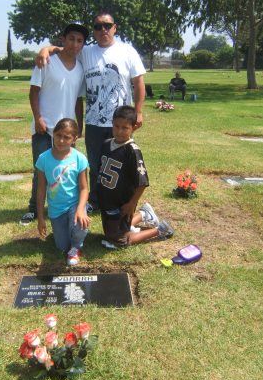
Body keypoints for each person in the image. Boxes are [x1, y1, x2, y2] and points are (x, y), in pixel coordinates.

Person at [36, 12, 146, 212]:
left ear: (115, 28)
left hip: (120, 122)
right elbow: (64, 48)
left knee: (122, 162)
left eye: (107, 25)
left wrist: (138, 111)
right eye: (98, 26)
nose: (103, 30)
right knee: (95, 164)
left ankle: (125, 200)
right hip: (94, 121)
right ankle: (95, 200)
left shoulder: (127, 51)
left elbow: (138, 82)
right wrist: (46, 49)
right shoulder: (86, 52)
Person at [20, 22, 89, 226]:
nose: (75, 44)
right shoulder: (47, 61)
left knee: (67, 171)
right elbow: (33, 91)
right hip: (44, 127)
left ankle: (67, 207)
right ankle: (34, 209)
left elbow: (78, 99)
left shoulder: (80, 69)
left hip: (67, 131)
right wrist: (38, 117)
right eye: (71, 39)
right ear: (63, 39)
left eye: (79, 41)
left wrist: (80, 124)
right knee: (40, 170)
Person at [97, 105, 174, 248]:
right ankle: (144, 214)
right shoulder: (107, 144)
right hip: (107, 200)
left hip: (122, 203)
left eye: (125, 128)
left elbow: (142, 182)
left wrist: (131, 203)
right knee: (111, 232)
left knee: (120, 241)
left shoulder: (132, 151)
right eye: (116, 126)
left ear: (133, 128)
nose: (119, 131)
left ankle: (160, 229)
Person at [36, 118, 90, 266]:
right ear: (53, 134)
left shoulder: (79, 158)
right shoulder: (43, 159)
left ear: (74, 139)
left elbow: (84, 188)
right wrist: (40, 218)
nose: (61, 140)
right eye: (58, 135)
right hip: (56, 209)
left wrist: (80, 209)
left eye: (66, 137)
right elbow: (40, 190)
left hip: (74, 204)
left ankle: (76, 247)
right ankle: (68, 234)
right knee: (61, 246)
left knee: (79, 226)